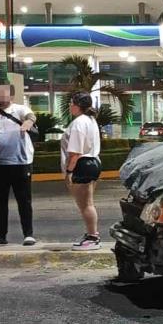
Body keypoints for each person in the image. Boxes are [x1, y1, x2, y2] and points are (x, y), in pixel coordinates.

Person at [0, 82, 38, 246]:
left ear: (11, 95)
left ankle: (28, 234)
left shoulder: (19, 109)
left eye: (5, 93)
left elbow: (31, 116)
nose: (2, 97)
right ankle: (0, 235)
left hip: (21, 163)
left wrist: (28, 123)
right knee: (0, 202)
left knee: (24, 200)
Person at [61, 92, 102, 250]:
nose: (70, 106)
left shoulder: (79, 123)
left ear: (78, 106)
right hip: (92, 162)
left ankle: (92, 237)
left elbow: (75, 152)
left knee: (85, 205)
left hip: (82, 164)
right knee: (88, 203)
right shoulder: (90, 120)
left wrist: (69, 172)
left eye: (72, 103)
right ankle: (91, 235)